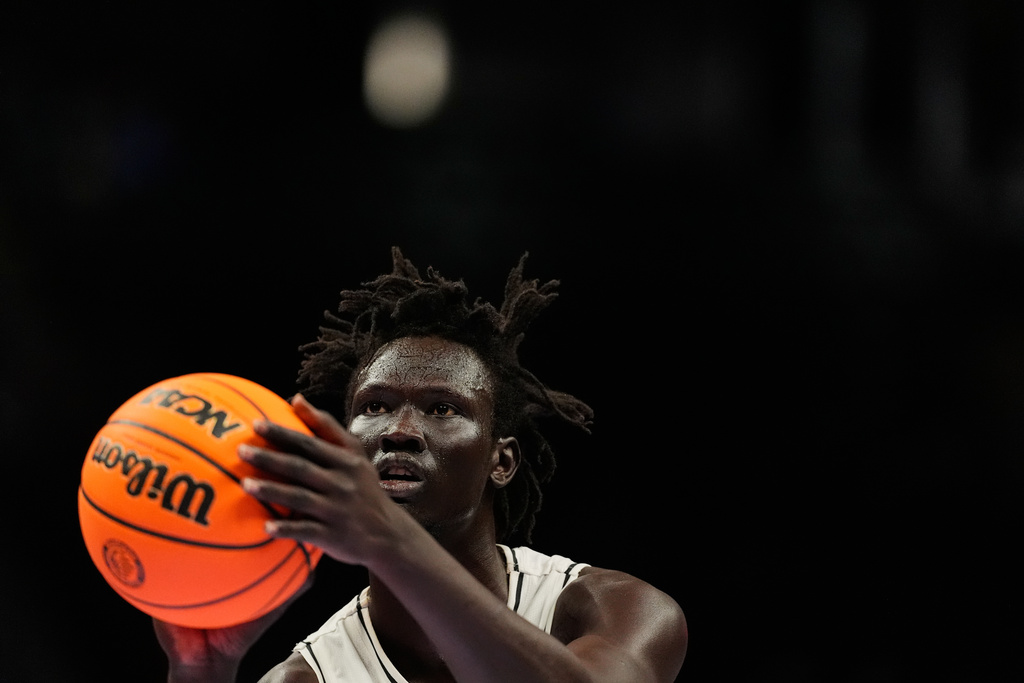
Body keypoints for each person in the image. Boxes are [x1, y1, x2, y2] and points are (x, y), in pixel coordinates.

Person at [153, 247, 688, 682]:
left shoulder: (613, 609)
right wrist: (200, 671)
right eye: (375, 407)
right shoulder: (312, 676)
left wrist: (391, 545)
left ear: (501, 461)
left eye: (443, 409)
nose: (400, 432)